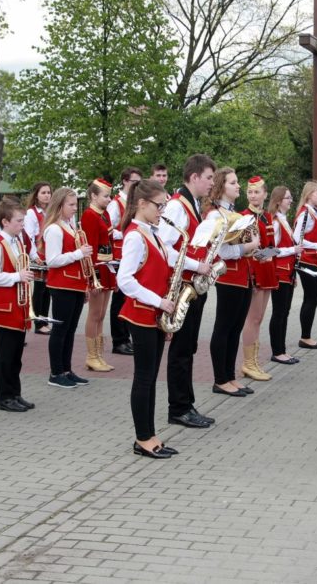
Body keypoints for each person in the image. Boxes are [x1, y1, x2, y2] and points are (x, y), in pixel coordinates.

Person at [117, 179, 208, 459]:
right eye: (159, 206)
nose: (162, 211)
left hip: (154, 314)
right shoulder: (135, 236)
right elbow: (124, 280)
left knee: (151, 378)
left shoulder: (152, 232)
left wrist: (200, 266)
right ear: (142, 204)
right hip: (141, 314)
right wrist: (160, 302)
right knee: (144, 379)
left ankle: (150, 434)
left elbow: (170, 259)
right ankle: (143, 438)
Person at [157, 154, 217, 428]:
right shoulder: (176, 206)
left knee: (188, 347)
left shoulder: (191, 203)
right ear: (194, 177)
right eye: (209, 178)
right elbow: (165, 249)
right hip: (183, 284)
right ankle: (179, 407)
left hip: (192, 284)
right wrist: (197, 265)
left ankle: (187, 403)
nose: (212, 183)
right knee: (181, 350)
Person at [206, 168, 261, 396]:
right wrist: (249, 246)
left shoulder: (233, 213)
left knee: (235, 328)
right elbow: (221, 251)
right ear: (221, 187)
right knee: (224, 328)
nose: (238, 186)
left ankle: (230, 376)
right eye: (233, 182)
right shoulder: (215, 215)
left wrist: (253, 248)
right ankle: (220, 380)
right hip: (228, 278)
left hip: (243, 276)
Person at [0, 199, 36, 413]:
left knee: (15, 355)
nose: (23, 225)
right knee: (6, 354)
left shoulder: (17, 242)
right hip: (4, 307)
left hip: (17, 305)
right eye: (19, 221)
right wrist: (17, 276)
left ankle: (15, 393)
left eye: (23, 220)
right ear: (5, 222)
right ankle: (4, 397)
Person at [43, 186, 91, 389]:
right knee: (60, 330)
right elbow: (52, 260)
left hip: (75, 284)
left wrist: (85, 284)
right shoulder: (54, 229)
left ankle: (66, 369)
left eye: (75, 204)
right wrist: (79, 253)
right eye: (70, 204)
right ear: (59, 205)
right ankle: (55, 372)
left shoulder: (69, 225)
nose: (74, 208)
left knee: (70, 330)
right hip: (62, 285)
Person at [239, 176, 278, 380]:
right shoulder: (244, 217)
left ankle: (254, 362)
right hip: (254, 272)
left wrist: (267, 253)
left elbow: (272, 247)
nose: (253, 196)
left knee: (259, 319)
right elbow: (248, 251)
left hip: (267, 271)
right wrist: (265, 254)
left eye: (257, 192)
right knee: (252, 319)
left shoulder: (267, 216)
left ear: (265, 194)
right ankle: (248, 363)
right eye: (250, 192)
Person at [80, 178, 116, 372]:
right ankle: (91, 356)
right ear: (93, 196)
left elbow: (110, 241)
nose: (109, 200)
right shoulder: (89, 215)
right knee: (94, 314)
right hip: (97, 268)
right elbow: (91, 246)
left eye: (110, 196)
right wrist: (91, 278)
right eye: (106, 196)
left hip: (107, 266)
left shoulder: (105, 214)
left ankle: (99, 355)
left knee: (102, 314)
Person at [107, 167, 143, 356]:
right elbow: (108, 229)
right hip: (119, 256)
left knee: (128, 297)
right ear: (125, 181)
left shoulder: (135, 202)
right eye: (134, 182)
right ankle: (118, 340)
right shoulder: (116, 203)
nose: (137, 185)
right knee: (119, 299)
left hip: (132, 255)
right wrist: (127, 233)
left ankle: (126, 338)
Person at [267, 186, 299, 366]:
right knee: (279, 312)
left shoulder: (284, 220)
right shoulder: (276, 222)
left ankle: (282, 350)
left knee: (284, 312)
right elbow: (270, 250)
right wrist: (293, 249)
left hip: (288, 273)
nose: (291, 200)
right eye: (287, 198)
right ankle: (277, 351)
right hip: (280, 272)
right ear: (279, 201)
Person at [293, 181, 317, 350]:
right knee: (311, 299)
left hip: (313, 260)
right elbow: (296, 238)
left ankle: (306, 336)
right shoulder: (306, 214)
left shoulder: (312, 212)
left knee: (311, 299)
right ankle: (305, 337)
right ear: (309, 194)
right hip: (307, 260)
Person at [24, 181, 52, 334]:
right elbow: (29, 237)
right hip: (39, 255)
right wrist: (34, 256)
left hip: (50, 254)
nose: (47, 195)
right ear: (36, 195)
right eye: (43, 193)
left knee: (48, 289)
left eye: (49, 192)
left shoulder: (51, 212)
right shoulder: (31, 213)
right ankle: (38, 323)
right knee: (40, 289)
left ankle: (44, 320)